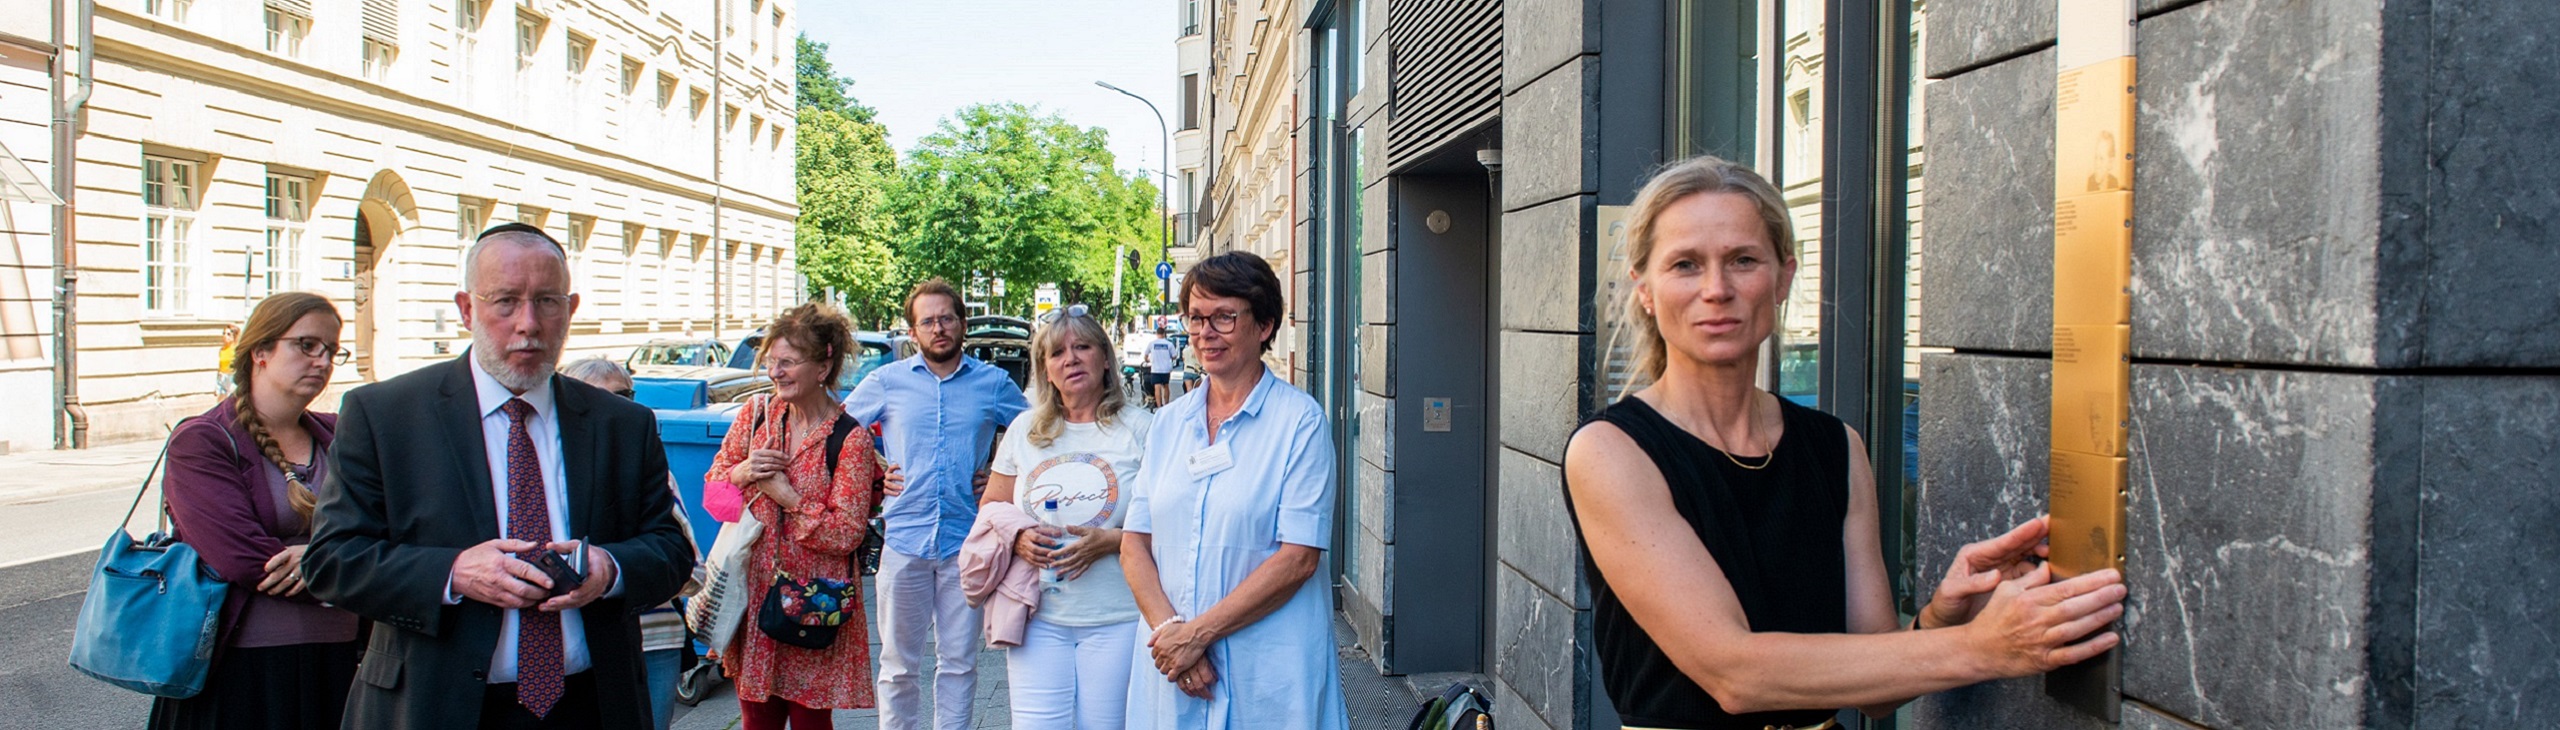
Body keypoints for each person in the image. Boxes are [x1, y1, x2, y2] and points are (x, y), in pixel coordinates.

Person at [1561, 156, 2127, 729]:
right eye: (1685, 265)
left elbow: (1875, 690)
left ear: (1782, 278)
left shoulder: (1836, 446)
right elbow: (1734, 673)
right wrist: (1985, 646)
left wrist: (1941, 619)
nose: (1716, 289)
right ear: (1646, 291)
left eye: (1743, 260)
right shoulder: (1611, 452)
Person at [306, 223, 696, 729]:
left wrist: (609, 568)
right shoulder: (385, 415)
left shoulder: (621, 423)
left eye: (547, 302)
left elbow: (671, 551)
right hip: (435, 707)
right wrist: (454, 574)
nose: (528, 324)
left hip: (591, 706)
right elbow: (333, 561)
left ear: (571, 308)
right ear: (467, 308)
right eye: (506, 302)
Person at [1122, 252, 1349, 728]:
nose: (1205, 332)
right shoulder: (1167, 425)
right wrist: (1172, 635)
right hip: (1176, 668)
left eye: (1224, 316)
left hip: (1266, 667)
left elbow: (1298, 558)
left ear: (1264, 325)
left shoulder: (1299, 423)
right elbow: (1134, 543)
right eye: (1196, 317)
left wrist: (1196, 635)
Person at [151, 292, 359, 729]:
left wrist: (325, 560)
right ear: (260, 351)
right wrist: (353, 567)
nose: (321, 360)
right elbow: (244, 559)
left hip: (344, 662)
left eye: (331, 350)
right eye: (305, 345)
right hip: (245, 673)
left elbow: (390, 528)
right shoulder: (203, 440)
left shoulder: (340, 434)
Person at [842, 279, 1030, 730]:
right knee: (897, 665)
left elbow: (1034, 439)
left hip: (967, 545)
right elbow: (840, 433)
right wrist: (874, 471)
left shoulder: (992, 384)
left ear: (962, 324)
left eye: (947, 318)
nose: (938, 328)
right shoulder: (886, 382)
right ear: (913, 332)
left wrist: (1004, 476)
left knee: (959, 662)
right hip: (904, 541)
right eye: (927, 321)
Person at [703, 302, 882, 729]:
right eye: (771, 362)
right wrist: (743, 471)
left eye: (787, 362)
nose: (775, 372)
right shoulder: (756, 416)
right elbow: (714, 496)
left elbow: (845, 534)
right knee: (756, 721)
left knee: (810, 723)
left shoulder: (849, 439)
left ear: (823, 366)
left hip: (811, 603)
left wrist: (788, 497)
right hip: (752, 598)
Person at [983, 304, 1151, 728]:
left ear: (1105, 359)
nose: (1071, 359)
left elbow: (1172, 520)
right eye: (1057, 352)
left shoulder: (1143, 429)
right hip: (1038, 615)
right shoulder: (1024, 431)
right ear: (1046, 370)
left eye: (1083, 347)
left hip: (1117, 616)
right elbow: (991, 508)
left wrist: (1113, 541)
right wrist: (1019, 539)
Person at [560, 356, 699, 730]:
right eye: (595, 397)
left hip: (653, 641)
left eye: (625, 396)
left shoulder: (650, 469)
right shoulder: (550, 472)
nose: (613, 409)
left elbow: (690, 567)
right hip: (571, 641)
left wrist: (620, 570)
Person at [1144, 329, 1179, 408]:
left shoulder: (1152, 344)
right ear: (1164, 334)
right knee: (1166, 386)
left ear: (1156, 334)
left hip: (1155, 369)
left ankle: (1159, 406)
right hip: (1166, 369)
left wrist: (1148, 360)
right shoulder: (1169, 344)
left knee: (1157, 387)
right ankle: (1166, 405)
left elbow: (1145, 355)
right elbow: (1174, 356)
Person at [214, 323, 239, 396]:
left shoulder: (236, 350)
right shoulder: (222, 350)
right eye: (224, 333)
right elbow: (220, 366)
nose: (225, 336)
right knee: (221, 401)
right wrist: (217, 384)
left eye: (228, 334)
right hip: (222, 376)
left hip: (231, 377)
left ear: (234, 336)